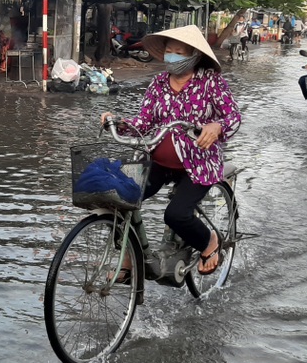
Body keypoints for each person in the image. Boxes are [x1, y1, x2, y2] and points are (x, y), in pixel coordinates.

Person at [100, 25, 242, 276]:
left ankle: (210, 242)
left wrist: (217, 126)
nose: (173, 56)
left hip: (198, 164)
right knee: (118, 200)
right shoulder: (158, 83)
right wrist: (118, 123)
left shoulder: (210, 81)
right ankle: (127, 263)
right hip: (158, 161)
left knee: (175, 215)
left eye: (180, 52)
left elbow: (233, 116)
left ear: (194, 56)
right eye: (169, 51)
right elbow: (144, 122)